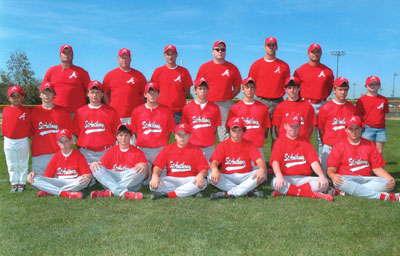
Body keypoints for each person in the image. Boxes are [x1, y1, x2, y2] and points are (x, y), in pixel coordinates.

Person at [327, 116, 399, 202]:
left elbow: (377, 168)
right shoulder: (339, 146)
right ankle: (383, 197)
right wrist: (333, 176)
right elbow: (331, 169)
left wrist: (391, 179)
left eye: (357, 128)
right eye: (351, 129)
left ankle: (348, 192)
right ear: (346, 130)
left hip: (365, 179)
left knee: (386, 183)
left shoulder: (369, 144)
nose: (354, 132)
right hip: (347, 179)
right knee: (341, 181)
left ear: (361, 128)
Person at [270, 113, 332, 201]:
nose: (294, 129)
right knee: (275, 182)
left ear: (299, 127)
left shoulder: (305, 142)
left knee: (323, 182)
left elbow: (314, 162)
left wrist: (321, 175)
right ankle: (312, 194)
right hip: (287, 177)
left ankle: (288, 191)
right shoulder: (280, 142)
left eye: (296, 126)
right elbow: (275, 162)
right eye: (291, 126)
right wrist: (279, 175)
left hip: (303, 178)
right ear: (285, 126)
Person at [208, 118, 266, 199]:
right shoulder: (223, 145)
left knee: (260, 174)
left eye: (239, 130)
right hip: (228, 177)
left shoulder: (249, 144)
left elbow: (260, 161)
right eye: (234, 130)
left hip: (245, 176)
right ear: (229, 131)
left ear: (243, 131)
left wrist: (262, 169)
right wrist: (214, 169)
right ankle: (246, 191)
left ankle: (229, 194)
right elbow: (214, 162)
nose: (236, 133)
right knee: (210, 175)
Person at [196, 40, 242, 141]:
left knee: (225, 133)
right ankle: (205, 156)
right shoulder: (204, 67)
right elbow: (198, 87)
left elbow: (238, 88)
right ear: (213, 51)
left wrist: (227, 97)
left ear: (225, 51)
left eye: (222, 49)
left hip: (225, 104)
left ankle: (225, 156)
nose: (220, 51)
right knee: (205, 130)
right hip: (207, 103)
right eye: (217, 49)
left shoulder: (232, 68)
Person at [27, 129, 92, 199]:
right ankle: (65, 193)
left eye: (66, 141)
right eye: (61, 142)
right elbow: (47, 176)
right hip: (60, 181)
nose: (64, 144)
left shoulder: (79, 155)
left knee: (83, 181)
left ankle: (51, 191)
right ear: (58, 143)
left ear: (71, 141)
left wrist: (88, 176)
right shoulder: (56, 156)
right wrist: (35, 174)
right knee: (35, 179)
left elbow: (86, 174)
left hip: (74, 182)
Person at [248, 36, 290, 146]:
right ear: (264, 47)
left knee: (278, 135)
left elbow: (288, 85)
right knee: (257, 134)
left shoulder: (284, 66)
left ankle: (275, 162)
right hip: (261, 102)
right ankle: (255, 162)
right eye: (269, 45)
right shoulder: (256, 65)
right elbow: (250, 86)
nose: (271, 47)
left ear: (276, 47)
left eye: (273, 45)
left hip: (278, 102)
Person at [150, 123, 209, 200]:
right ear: (175, 136)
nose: (182, 137)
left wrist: (201, 175)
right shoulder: (167, 149)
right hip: (172, 179)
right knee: (152, 185)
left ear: (190, 135)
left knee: (203, 182)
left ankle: (169, 195)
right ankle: (189, 192)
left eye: (185, 134)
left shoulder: (196, 150)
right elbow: (158, 166)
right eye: (179, 134)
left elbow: (204, 169)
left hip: (189, 179)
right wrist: (155, 175)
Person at [130, 82, 175, 184]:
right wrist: (142, 142)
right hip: (143, 149)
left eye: (155, 92)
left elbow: (169, 131)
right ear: (145, 95)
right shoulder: (137, 110)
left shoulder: (166, 110)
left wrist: (161, 143)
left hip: (159, 149)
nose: (152, 95)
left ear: (159, 94)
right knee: (143, 180)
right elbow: (135, 131)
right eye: (150, 93)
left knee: (162, 181)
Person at [294, 43, 334, 155]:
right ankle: (301, 162)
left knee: (322, 137)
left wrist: (321, 97)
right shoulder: (300, 70)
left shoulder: (327, 71)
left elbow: (329, 88)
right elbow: (296, 88)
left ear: (321, 53)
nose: (315, 54)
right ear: (308, 54)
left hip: (322, 104)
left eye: (317, 52)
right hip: (306, 104)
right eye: (313, 52)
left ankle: (322, 163)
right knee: (302, 135)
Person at [89, 124, 148, 200]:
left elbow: (145, 177)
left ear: (131, 137)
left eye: (126, 135)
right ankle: (124, 192)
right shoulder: (111, 151)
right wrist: (94, 164)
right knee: (96, 168)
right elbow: (101, 169)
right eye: (121, 135)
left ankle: (111, 192)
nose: (123, 138)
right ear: (116, 137)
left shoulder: (138, 152)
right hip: (114, 177)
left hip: (129, 180)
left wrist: (145, 167)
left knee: (141, 170)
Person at [30, 82, 74, 175]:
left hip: (58, 153)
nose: (47, 95)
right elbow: (30, 134)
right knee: (36, 181)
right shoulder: (33, 112)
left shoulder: (63, 112)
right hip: (39, 154)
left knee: (62, 180)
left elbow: (69, 134)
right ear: (40, 95)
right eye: (44, 92)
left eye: (49, 92)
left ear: (54, 94)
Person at [74, 80, 121, 166]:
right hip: (86, 152)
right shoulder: (80, 112)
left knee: (106, 178)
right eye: (92, 92)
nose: (95, 95)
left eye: (98, 92)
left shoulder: (111, 111)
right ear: (87, 94)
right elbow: (77, 132)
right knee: (85, 178)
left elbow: (117, 132)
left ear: (102, 94)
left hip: (105, 152)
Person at [318, 77, 356, 174]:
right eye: (340, 89)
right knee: (326, 178)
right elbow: (321, 129)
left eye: (345, 90)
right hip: (329, 147)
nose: (343, 92)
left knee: (344, 177)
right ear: (334, 90)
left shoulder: (351, 108)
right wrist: (327, 142)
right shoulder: (325, 108)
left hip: (346, 147)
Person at [226, 77, 270, 160]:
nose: (250, 90)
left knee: (261, 172)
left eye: (252, 87)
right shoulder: (235, 108)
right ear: (242, 89)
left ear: (255, 89)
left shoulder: (263, 107)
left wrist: (256, 138)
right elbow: (230, 127)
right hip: (240, 145)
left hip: (257, 147)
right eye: (247, 87)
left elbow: (264, 128)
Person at [43, 44, 90, 116]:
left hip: (76, 113)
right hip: (56, 112)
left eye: (69, 52)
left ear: (73, 55)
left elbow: (89, 91)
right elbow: (44, 91)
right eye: (64, 52)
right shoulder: (51, 71)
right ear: (60, 55)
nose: (66, 55)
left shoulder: (81, 72)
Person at [103, 48, 147, 125]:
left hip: (134, 116)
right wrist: (109, 106)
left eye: (126, 58)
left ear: (130, 59)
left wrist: (140, 110)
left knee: (134, 137)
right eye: (122, 58)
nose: (124, 60)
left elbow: (144, 94)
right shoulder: (109, 75)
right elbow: (104, 93)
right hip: (116, 115)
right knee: (117, 136)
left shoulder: (139, 76)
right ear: (118, 59)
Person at [151, 44, 193, 124]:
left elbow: (187, 91)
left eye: (172, 54)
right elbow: (153, 91)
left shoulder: (184, 72)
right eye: (168, 54)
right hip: (161, 111)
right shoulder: (158, 71)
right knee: (161, 135)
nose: (170, 57)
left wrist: (177, 99)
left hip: (179, 111)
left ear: (176, 55)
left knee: (181, 135)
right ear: (164, 56)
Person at [182, 77, 221, 161]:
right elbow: (186, 127)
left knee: (210, 172)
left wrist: (207, 138)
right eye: (200, 88)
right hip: (192, 146)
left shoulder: (215, 108)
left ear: (208, 90)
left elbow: (214, 128)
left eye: (205, 89)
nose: (202, 91)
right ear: (195, 90)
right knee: (193, 171)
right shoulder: (187, 107)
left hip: (209, 146)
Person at [2, 85, 31, 192]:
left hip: (22, 140)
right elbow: (4, 126)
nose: (16, 99)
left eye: (18, 96)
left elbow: (28, 125)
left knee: (23, 162)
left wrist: (28, 135)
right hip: (9, 140)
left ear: (22, 98)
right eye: (13, 96)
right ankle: (14, 183)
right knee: (12, 163)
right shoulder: (5, 110)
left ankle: (22, 183)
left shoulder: (26, 110)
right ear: (9, 98)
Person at [272, 76, 316, 141]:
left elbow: (310, 127)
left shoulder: (307, 106)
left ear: (299, 88)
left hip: (302, 142)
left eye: (294, 88)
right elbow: (277, 128)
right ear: (285, 89)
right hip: (285, 143)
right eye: (289, 88)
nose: (292, 90)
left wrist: (304, 139)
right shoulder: (280, 107)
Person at [356, 76, 389, 155]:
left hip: (381, 128)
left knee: (379, 152)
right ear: (366, 86)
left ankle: (377, 167)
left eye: (375, 84)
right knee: (367, 150)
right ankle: (366, 166)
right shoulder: (361, 100)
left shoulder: (383, 99)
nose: (373, 86)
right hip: (367, 128)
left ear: (379, 86)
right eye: (370, 84)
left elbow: (384, 113)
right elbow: (358, 115)